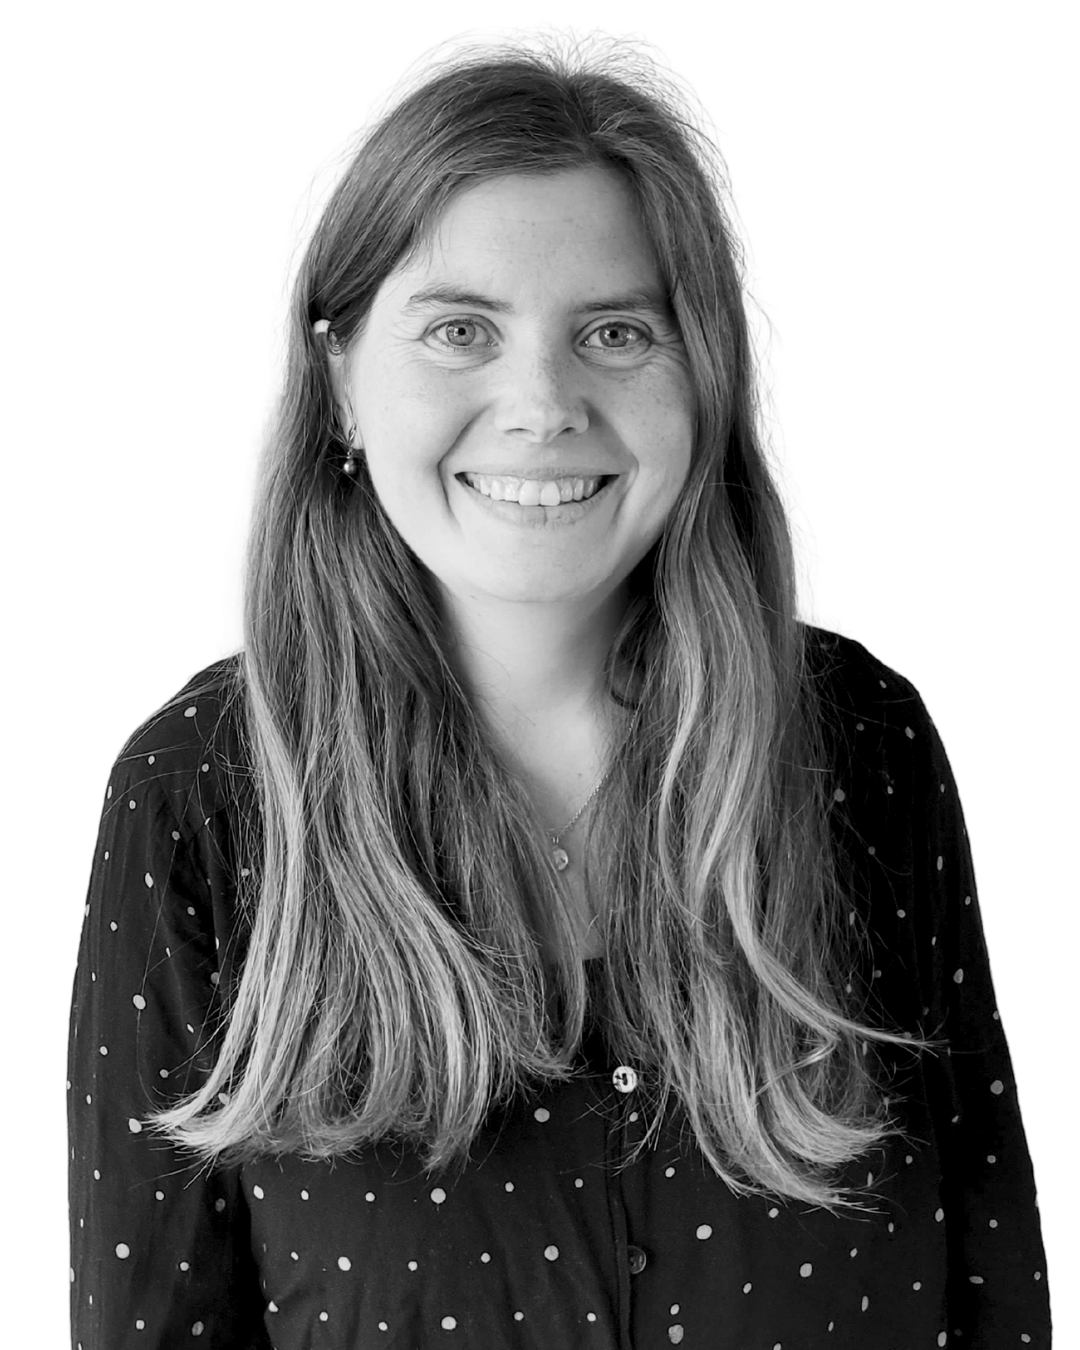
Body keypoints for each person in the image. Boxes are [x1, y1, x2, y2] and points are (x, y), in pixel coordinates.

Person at [66, 36, 1051, 1350]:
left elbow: (999, 1278)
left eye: (617, 331)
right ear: (344, 378)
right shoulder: (198, 796)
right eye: (460, 330)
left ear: (703, 376)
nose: (541, 401)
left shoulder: (863, 742)